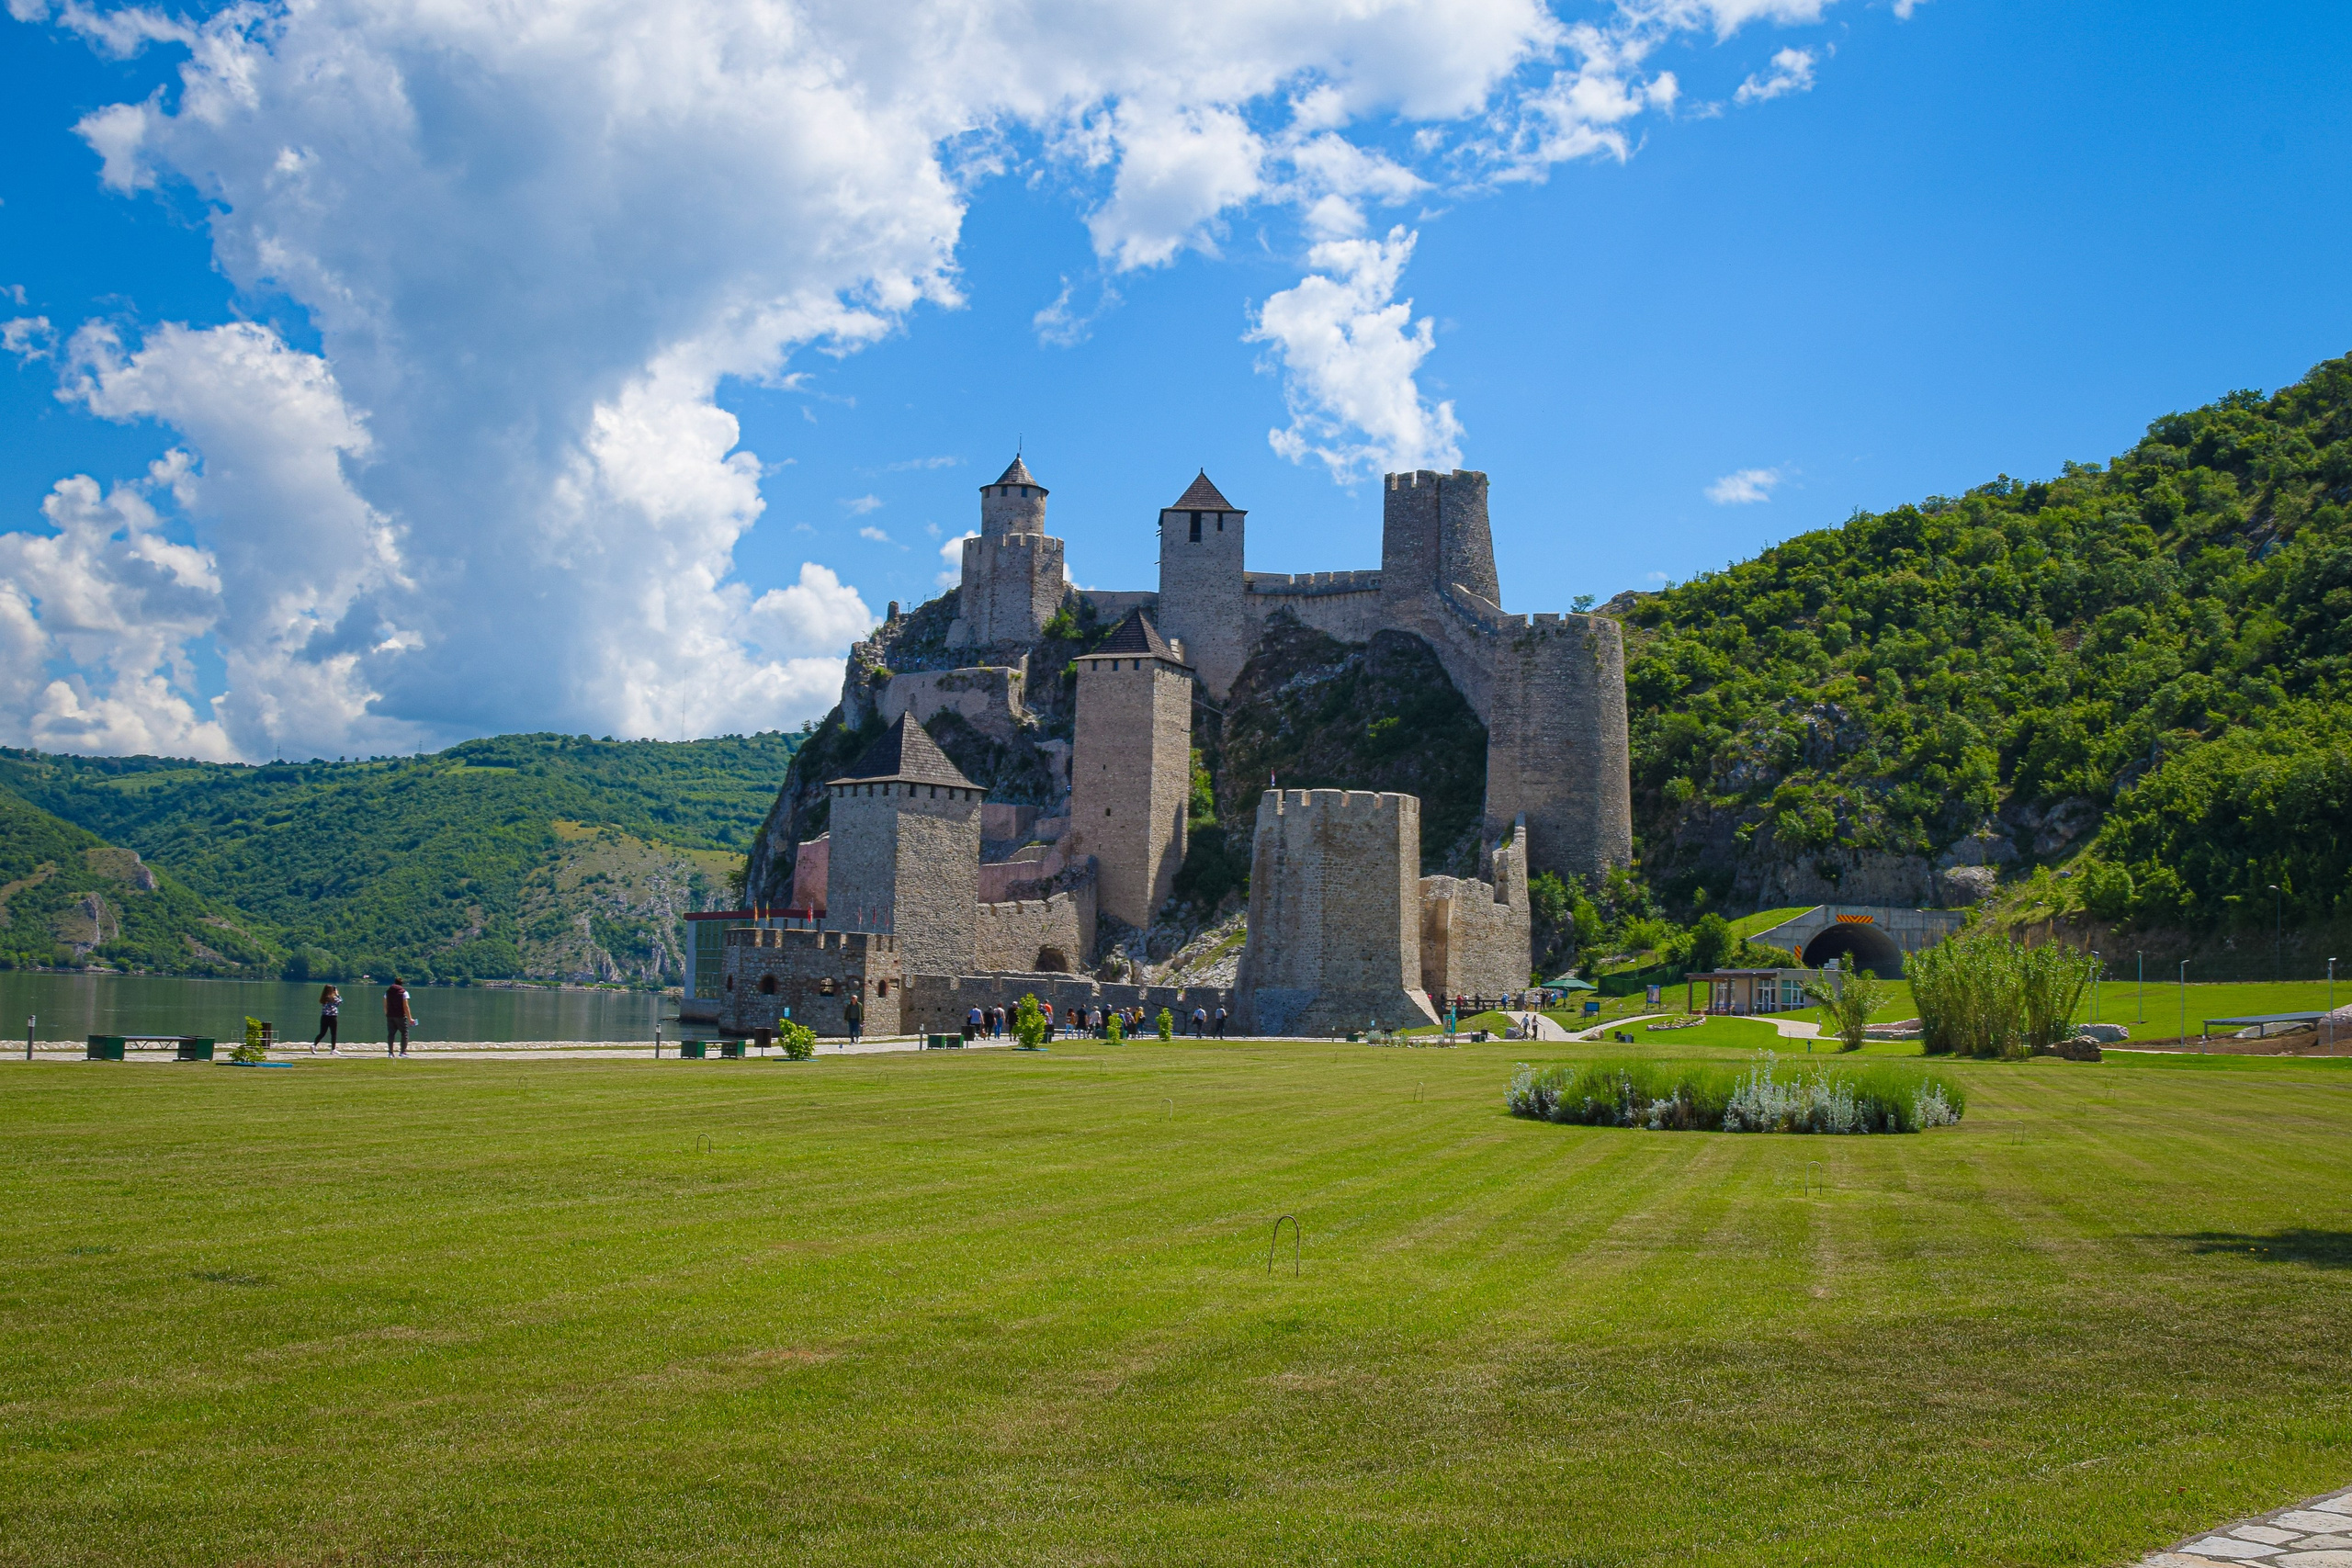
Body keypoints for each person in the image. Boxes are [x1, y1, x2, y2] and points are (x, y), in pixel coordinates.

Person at [384, 977, 412, 1056]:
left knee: (391, 1034)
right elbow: (406, 1006)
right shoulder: (404, 993)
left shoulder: (388, 992)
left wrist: (387, 1014)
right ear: (401, 984)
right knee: (404, 1033)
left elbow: (385, 1005)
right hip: (400, 1016)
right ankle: (402, 1051)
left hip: (390, 1016)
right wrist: (410, 1018)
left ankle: (390, 1052)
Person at [312, 985, 341, 1053]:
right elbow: (340, 1002)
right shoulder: (333, 998)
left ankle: (314, 1045)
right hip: (332, 1017)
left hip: (324, 1016)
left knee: (322, 1033)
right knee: (333, 1033)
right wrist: (337, 994)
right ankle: (333, 1049)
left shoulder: (324, 998)